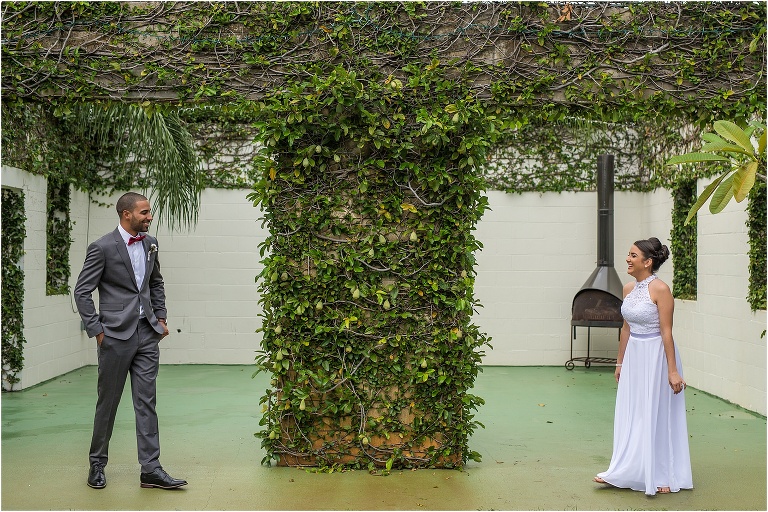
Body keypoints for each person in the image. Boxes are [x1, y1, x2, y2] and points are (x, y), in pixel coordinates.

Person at [74, 192, 187, 490]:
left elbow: (155, 282)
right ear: (127, 214)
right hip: (114, 336)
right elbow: (82, 292)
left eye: (149, 212)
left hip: (147, 334)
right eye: (145, 212)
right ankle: (97, 464)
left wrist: (160, 318)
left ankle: (150, 469)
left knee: (146, 402)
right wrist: (98, 330)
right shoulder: (101, 247)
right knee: (107, 403)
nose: (150, 217)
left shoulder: (151, 244)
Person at [594, 237, 693, 495]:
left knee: (656, 413)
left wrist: (672, 370)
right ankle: (624, 468)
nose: (628, 259)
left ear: (648, 262)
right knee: (633, 411)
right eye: (629, 254)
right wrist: (619, 362)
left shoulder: (661, 289)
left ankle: (662, 474)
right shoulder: (628, 289)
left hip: (657, 356)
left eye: (633, 255)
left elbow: (667, 332)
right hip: (635, 357)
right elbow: (626, 329)